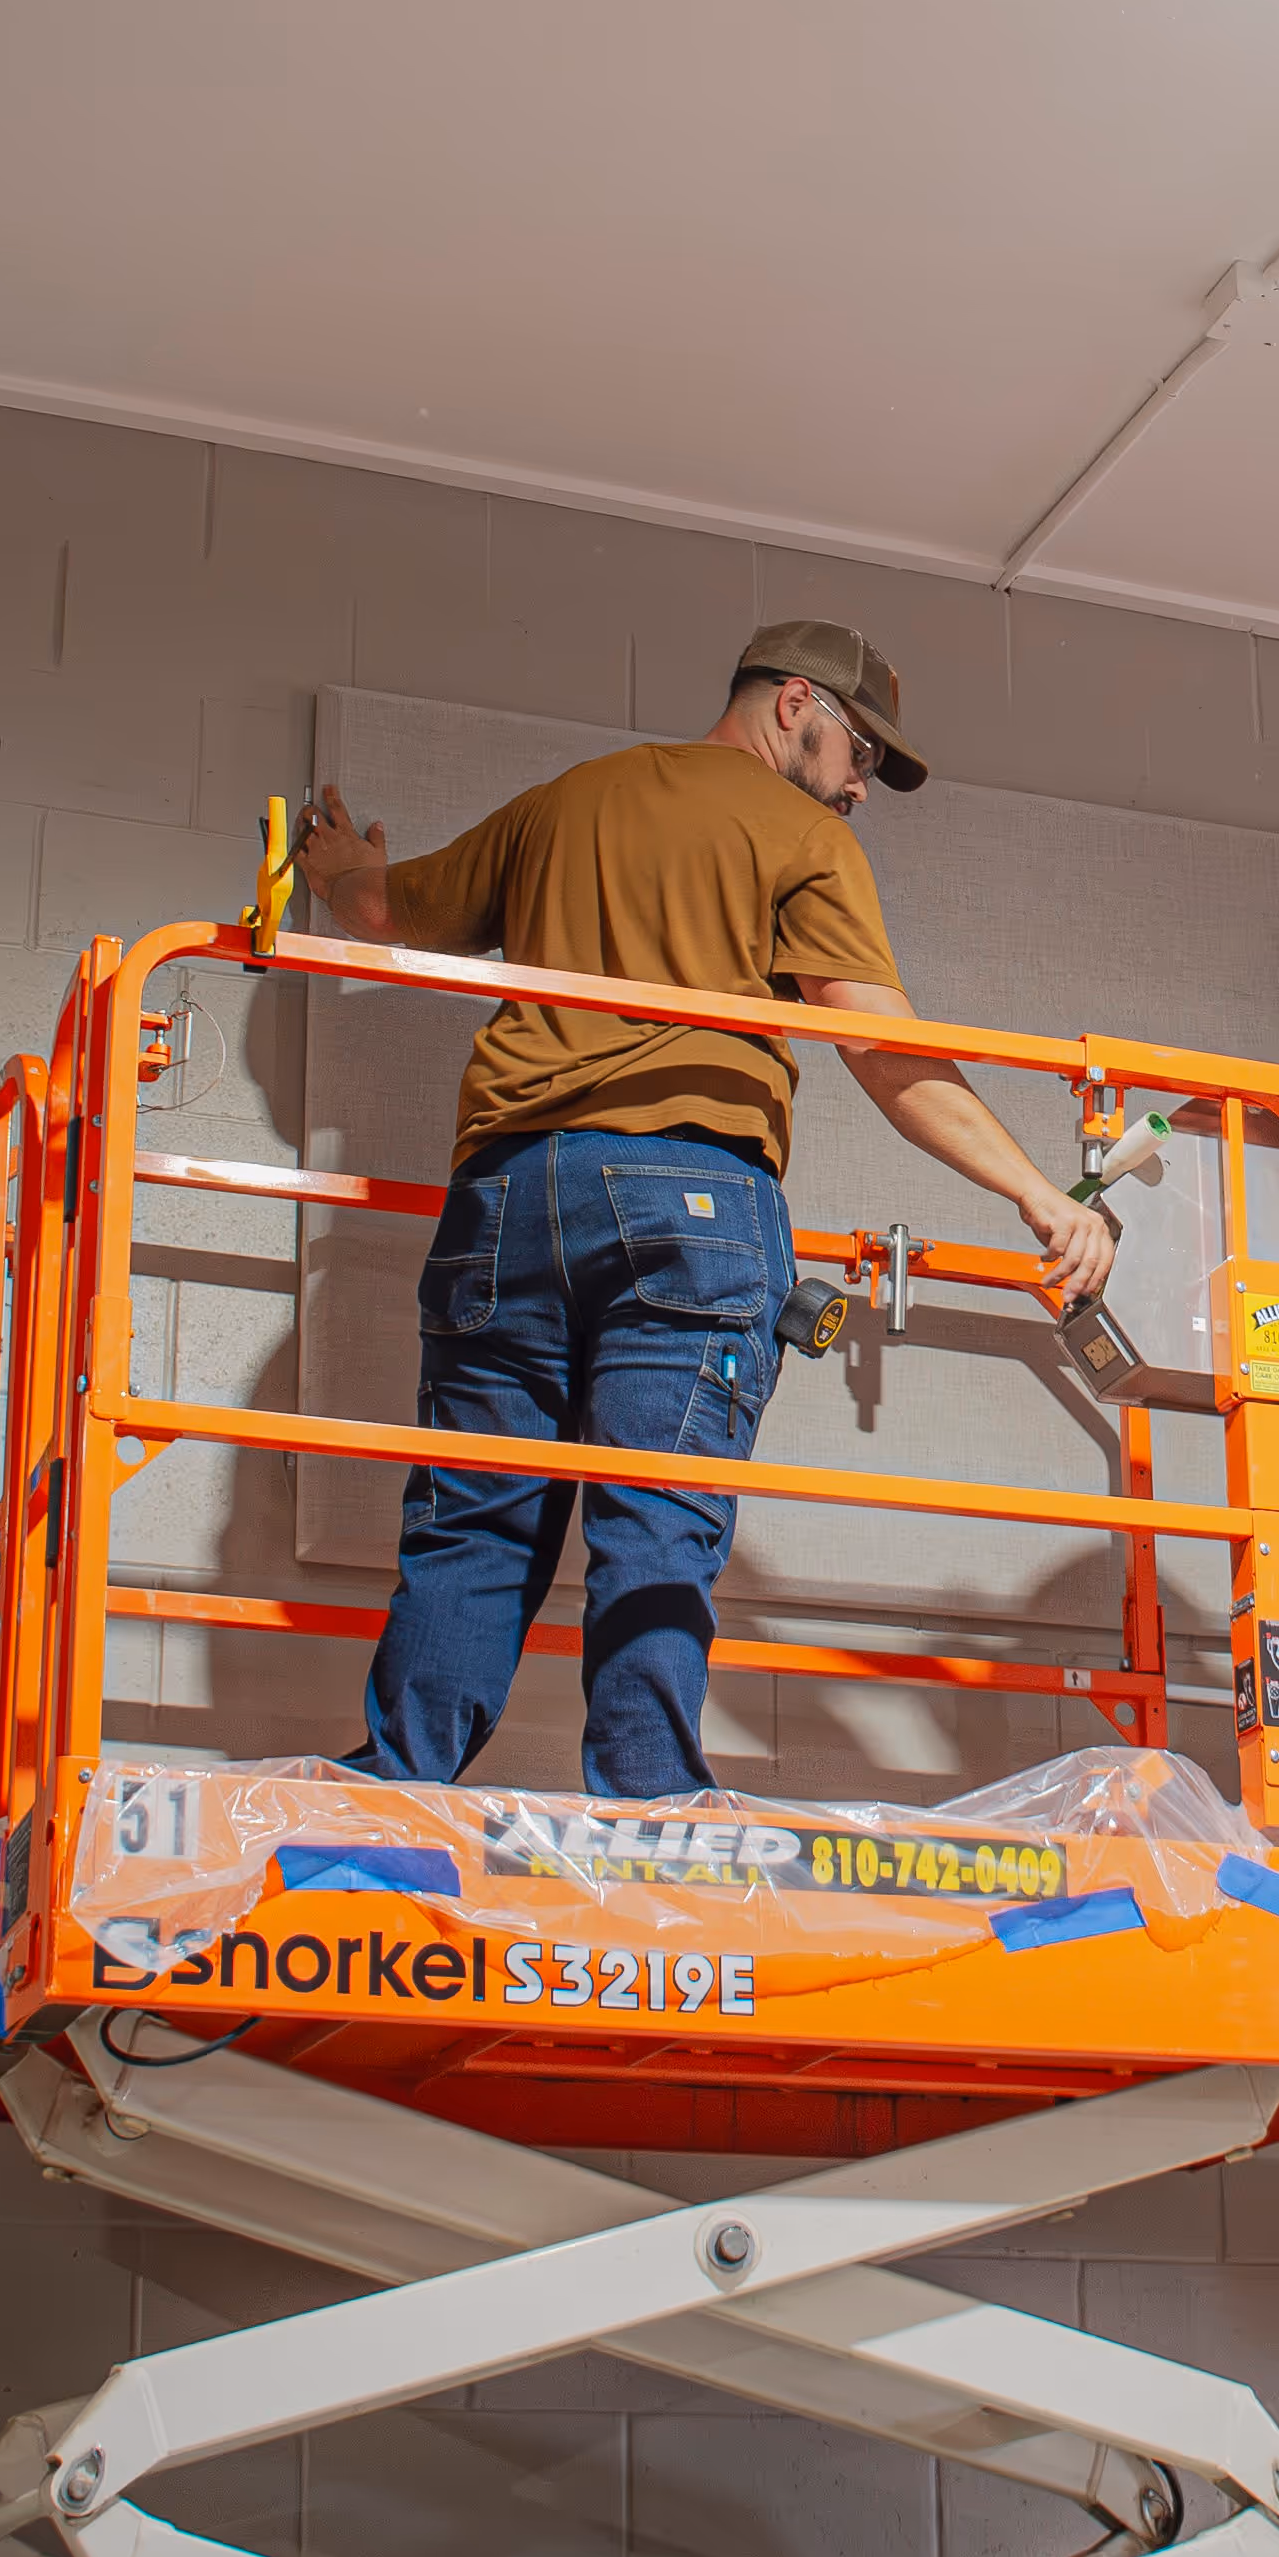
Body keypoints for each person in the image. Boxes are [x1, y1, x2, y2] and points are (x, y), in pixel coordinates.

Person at [298, 619, 1113, 1801]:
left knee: (473, 1526)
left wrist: (334, 869)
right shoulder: (799, 836)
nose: (859, 787)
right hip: (687, 1200)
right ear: (794, 703)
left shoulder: (565, 803)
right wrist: (1038, 1192)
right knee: (655, 1517)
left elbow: (388, 914)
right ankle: (649, 1812)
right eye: (858, 754)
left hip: (507, 1199)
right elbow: (884, 1051)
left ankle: (383, 1799)